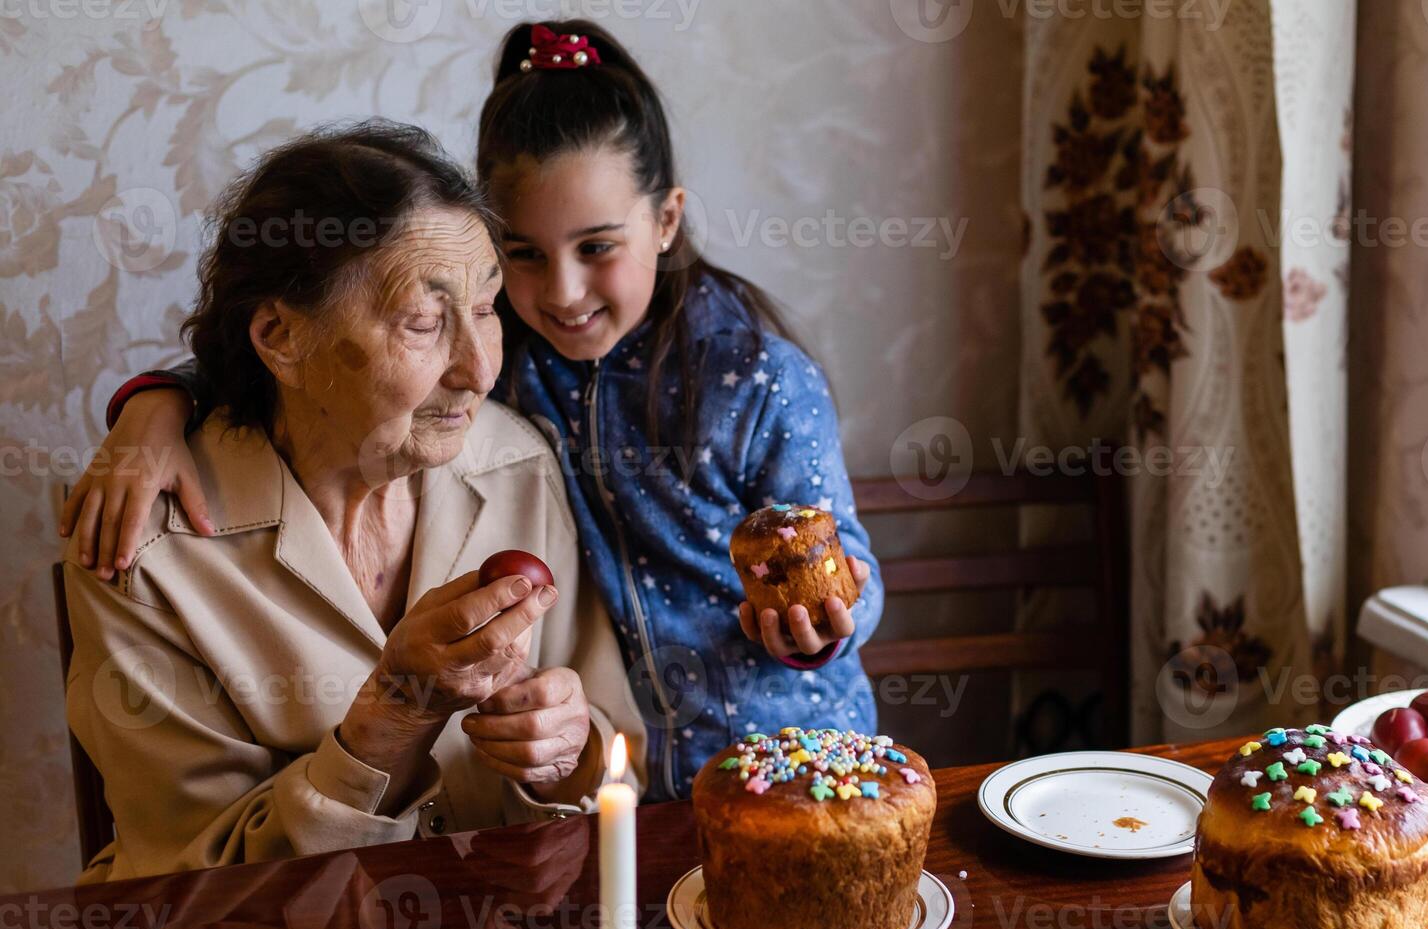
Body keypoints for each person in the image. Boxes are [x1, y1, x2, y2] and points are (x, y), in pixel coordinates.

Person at [67, 21, 882, 802]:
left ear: (667, 220)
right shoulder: (520, 361)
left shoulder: (745, 376)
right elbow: (276, 357)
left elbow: (841, 557)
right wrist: (156, 404)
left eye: (596, 247)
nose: (559, 296)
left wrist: (819, 622)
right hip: (640, 800)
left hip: (786, 748)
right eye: (520, 257)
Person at [62, 121, 644, 882]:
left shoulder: (514, 464)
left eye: (488, 308)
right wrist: (389, 721)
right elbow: (185, 899)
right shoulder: (148, 548)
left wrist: (567, 757)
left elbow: (617, 772)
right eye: (425, 323)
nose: (478, 370)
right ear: (280, 337)